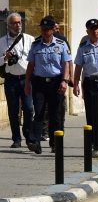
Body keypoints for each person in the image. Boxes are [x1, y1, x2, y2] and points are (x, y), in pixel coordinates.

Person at [25, 17, 72, 154]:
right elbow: (31, 65)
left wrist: (65, 80)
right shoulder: (36, 44)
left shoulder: (61, 44)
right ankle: (34, 142)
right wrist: (27, 83)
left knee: (55, 114)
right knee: (39, 112)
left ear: (52, 30)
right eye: (42, 29)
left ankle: (55, 143)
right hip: (39, 82)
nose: (44, 31)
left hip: (56, 82)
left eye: (46, 29)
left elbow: (66, 63)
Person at [1, 13, 34, 148]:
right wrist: (5, 58)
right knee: (13, 110)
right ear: (8, 25)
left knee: (28, 108)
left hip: (26, 79)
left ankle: (28, 134)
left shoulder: (30, 39)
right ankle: (16, 138)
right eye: (15, 23)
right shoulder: (2, 41)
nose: (18, 25)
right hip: (11, 81)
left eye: (19, 22)